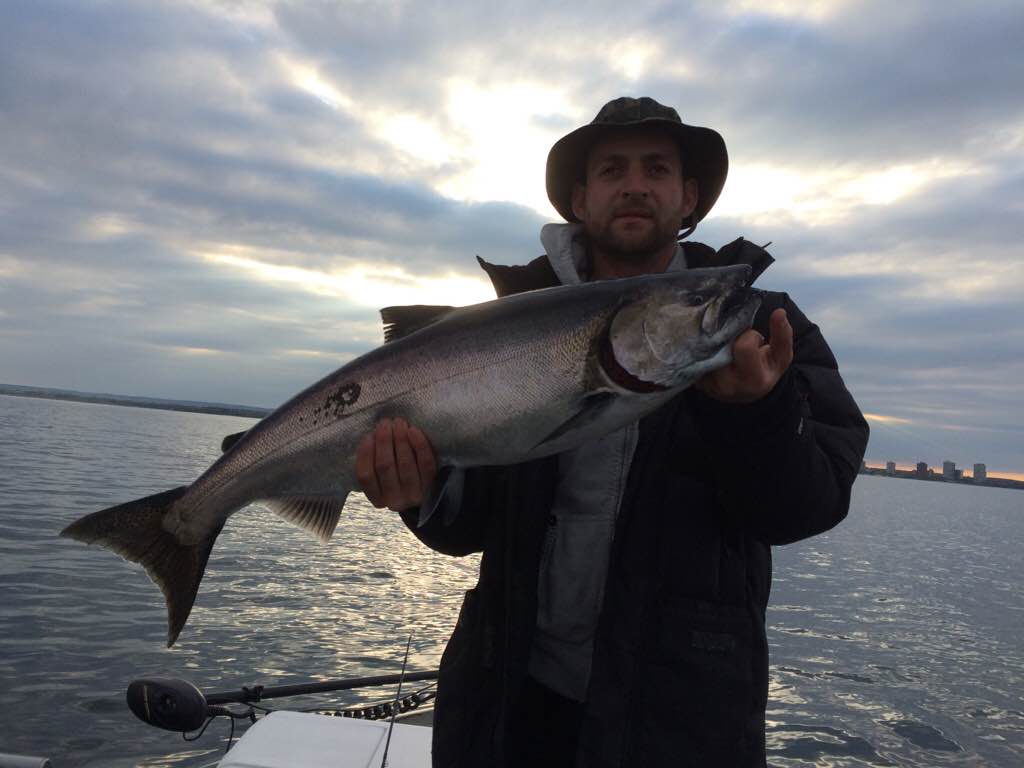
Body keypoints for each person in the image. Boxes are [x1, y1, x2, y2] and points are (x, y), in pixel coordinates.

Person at [355, 97, 869, 767]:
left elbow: (810, 503)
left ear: (689, 198)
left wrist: (755, 416)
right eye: (611, 170)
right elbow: (466, 526)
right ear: (579, 196)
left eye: (657, 169)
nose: (634, 185)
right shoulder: (501, 327)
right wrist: (419, 492)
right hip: (507, 706)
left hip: (679, 724)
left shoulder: (758, 326)